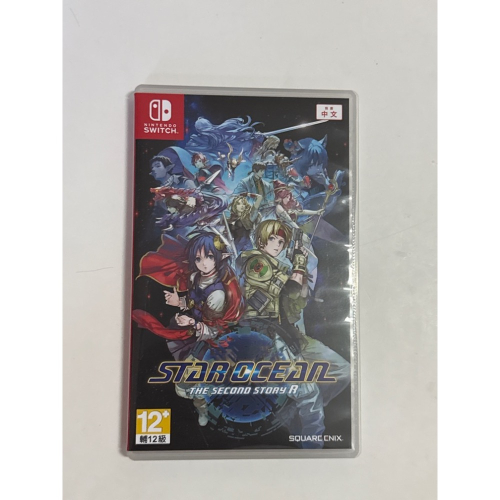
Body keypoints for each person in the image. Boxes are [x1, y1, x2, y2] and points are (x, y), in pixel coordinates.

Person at [236, 219, 350, 447]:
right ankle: (312, 445)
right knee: (308, 394)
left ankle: (292, 413)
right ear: (260, 240)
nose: (277, 245)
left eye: (281, 241)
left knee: (342, 371)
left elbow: (296, 299)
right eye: (272, 239)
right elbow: (287, 288)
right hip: (264, 338)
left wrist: (300, 270)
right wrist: (298, 266)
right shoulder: (255, 261)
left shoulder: (280, 263)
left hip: (289, 334)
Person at [132, 232, 244, 426]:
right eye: (198, 259)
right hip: (197, 333)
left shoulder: (218, 294)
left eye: (209, 257)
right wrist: (180, 302)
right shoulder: (195, 277)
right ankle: (203, 408)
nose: (204, 263)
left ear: (219, 257)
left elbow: (215, 328)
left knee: (198, 382)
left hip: (215, 340)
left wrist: (191, 322)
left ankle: (217, 407)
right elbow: (196, 303)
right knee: (186, 385)